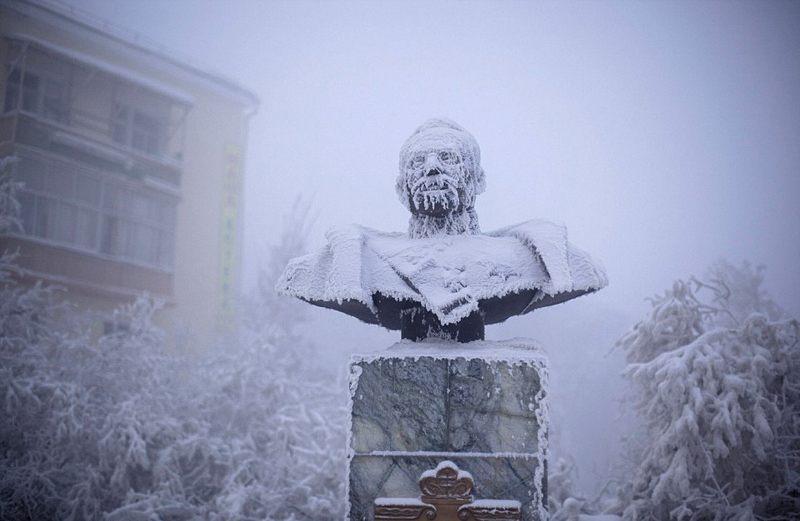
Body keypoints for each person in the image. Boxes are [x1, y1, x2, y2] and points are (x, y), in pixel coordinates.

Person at [277, 118, 607, 342]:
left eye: (448, 158)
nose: (432, 168)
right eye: (418, 162)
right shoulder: (355, 257)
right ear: (400, 186)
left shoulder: (530, 257)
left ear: (477, 179)